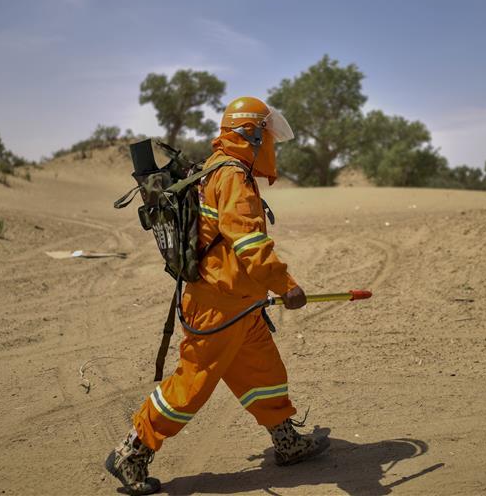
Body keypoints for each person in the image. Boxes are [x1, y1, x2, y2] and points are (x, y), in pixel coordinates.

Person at [105, 96, 330, 495]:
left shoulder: (220, 168)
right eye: (267, 135)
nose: (270, 145)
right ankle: (133, 450)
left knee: (264, 372)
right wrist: (286, 285)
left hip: (240, 303)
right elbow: (249, 245)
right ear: (252, 134)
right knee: (192, 386)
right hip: (218, 306)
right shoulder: (233, 178)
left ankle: (286, 441)